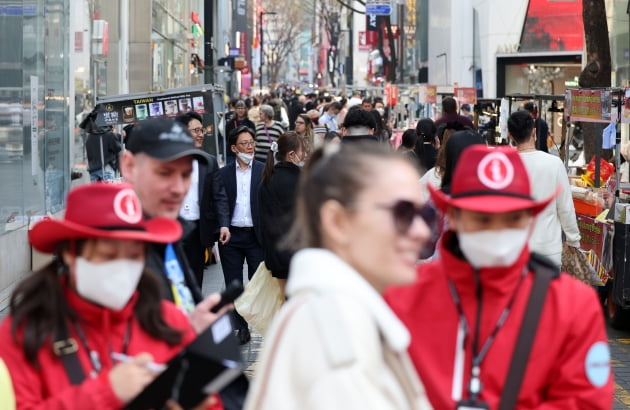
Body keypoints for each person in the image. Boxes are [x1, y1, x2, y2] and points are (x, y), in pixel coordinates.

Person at [386, 145, 613, 409]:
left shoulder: (572, 306)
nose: (497, 231)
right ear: (454, 217)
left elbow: (587, 401)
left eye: (512, 218)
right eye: (482, 219)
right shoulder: (403, 295)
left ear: (529, 220)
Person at [0, 183, 225, 409]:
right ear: (70, 253)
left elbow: (212, 400)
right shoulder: (23, 334)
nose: (123, 268)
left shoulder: (169, 321)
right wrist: (106, 392)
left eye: (135, 256)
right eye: (109, 255)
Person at [245, 142, 433, 410]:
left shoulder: (339, 315)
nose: (421, 232)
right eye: (402, 213)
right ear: (337, 222)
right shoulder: (334, 338)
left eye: (424, 214)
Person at [120, 118, 249, 410]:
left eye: (186, 175)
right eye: (164, 173)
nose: (178, 188)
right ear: (129, 167)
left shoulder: (170, 238)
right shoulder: (112, 250)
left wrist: (195, 325)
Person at [508, 110, 580, 267]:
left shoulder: (505, 166)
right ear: (534, 132)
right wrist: (573, 238)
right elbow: (565, 207)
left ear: (511, 135)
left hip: (514, 251)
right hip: (548, 251)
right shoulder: (554, 164)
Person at [220, 126, 265, 345]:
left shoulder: (264, 170)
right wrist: (221, 227)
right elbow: (220, 204)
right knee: (234, 284)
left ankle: (264, 325)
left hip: (256, 237)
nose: (249, 147)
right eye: (244, 144)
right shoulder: (224, 174)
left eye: (251, 143)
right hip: (232, 237)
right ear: (233, 148)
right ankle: (240, 327)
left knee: (259, 283)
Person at [176, 112, 231, 287]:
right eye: (196, 130)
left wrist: (224, 224)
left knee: (194, 281)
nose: (201, 134)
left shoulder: (209, 162)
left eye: (202, 130)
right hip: (172, 228)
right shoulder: (167, 161)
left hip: (197, 230)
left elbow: (219, 195)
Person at [258, 132, 306, 293]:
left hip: (275, 254)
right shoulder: (302, 180)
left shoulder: (266, 179)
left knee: (284, 300)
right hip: (299, 254)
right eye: (302, 152)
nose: (304, 155)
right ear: (292, 155)